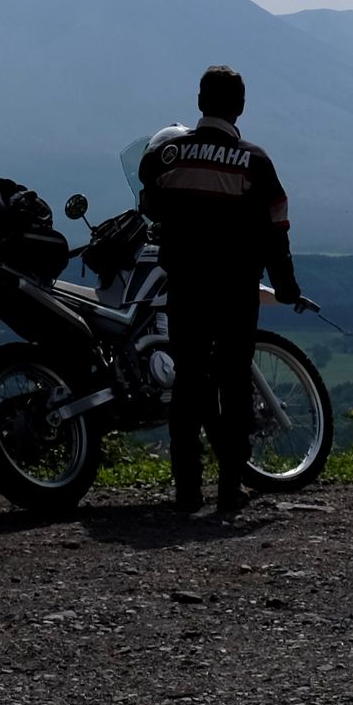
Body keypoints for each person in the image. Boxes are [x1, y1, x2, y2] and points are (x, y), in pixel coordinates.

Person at [135, 64, 308, 519]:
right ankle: (229, 491)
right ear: (241, 106)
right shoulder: (256, 162)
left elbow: (149, 205)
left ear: (199, 103)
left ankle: (187, 491)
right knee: (234, 384)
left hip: (186, 287)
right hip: (235, 290)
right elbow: (276, 232)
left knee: (189, 384)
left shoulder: (165, 157)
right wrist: (287, 287)